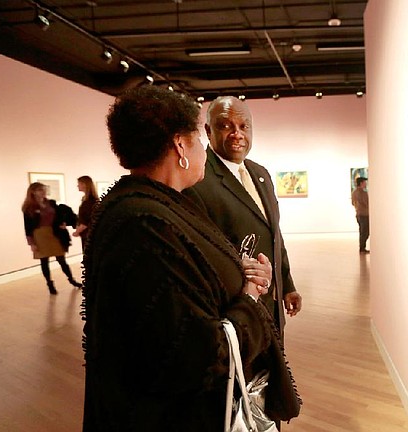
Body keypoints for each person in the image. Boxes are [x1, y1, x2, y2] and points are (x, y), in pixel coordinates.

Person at [81, 86, 300, 431]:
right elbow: (193, 355)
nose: (205, 149)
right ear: (181, 147)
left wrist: (241, 271)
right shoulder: (144, 223)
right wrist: (249, 297)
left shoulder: (158, 206)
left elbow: (193, 271)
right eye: (200, 138)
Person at [184, 96, 302, 337]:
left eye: (244, 126)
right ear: (208, 130)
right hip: (235, 310)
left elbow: (273, 233)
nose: (237, 134)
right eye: (225, 125)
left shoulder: (260, 173)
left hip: (270, 305)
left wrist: (286, 285)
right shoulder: (197, 180)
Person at [22, 182, 83, 294]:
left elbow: (59, 216)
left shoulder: (51, 203)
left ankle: (72, 280)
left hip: (53, 233)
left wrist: (63, 223)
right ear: (33, 192)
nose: (43, 192)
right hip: (39, 235)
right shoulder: (28, 208)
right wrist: (32, 243)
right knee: (44, 261)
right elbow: (27, 227)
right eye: (40, 190)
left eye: (44, 189)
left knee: (61, 259)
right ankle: (50, 284)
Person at [72, 175, 99, 251]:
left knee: (88, 255)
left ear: (84, 184)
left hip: (88, 234)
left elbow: (85, 222)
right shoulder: (91, 200)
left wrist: (77, 232)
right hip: (90, 233)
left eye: (79, 183)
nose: (77, 185)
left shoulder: (89, 201)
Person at [351, 177, 370, 254]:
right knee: (365, 232)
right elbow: (366, 203)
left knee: (363, 231)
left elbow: (353, 203)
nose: (366, 184)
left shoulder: (354, 192)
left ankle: (362, 247)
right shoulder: (362, 193)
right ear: (361, 183)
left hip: (359, 214)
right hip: (364, 215)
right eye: (365, 182)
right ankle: (362, 248)